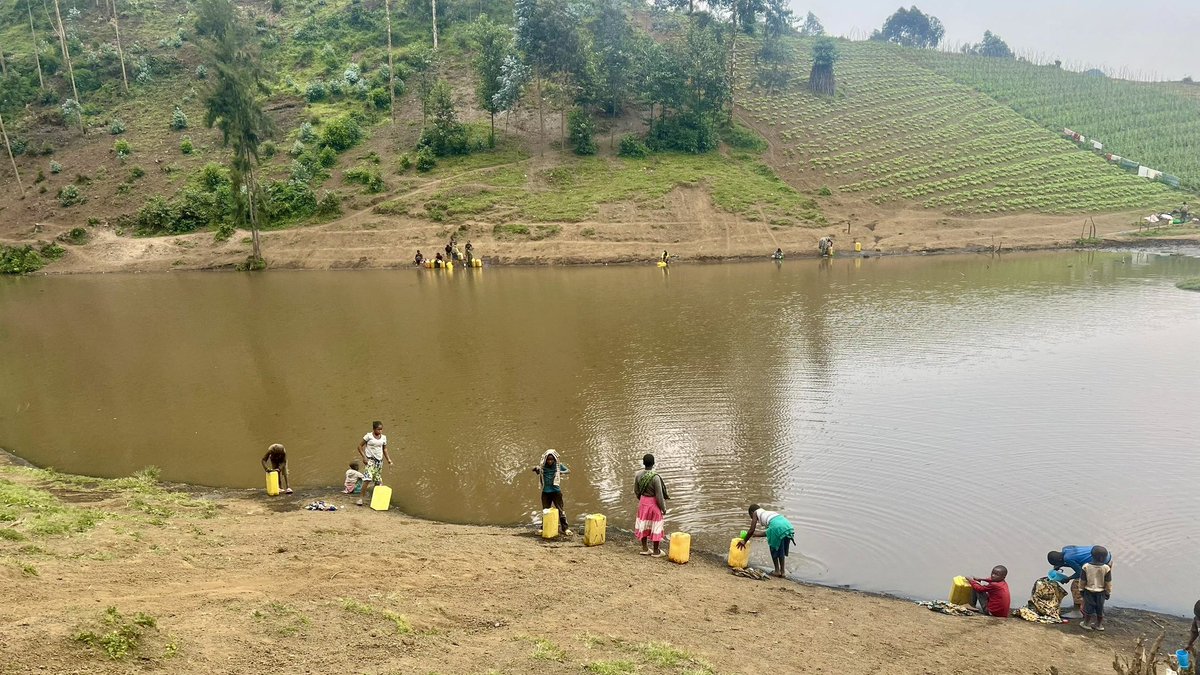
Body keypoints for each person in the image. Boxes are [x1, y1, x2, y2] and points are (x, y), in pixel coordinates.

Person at [1048, 545, 1113, 616]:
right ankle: (1094, 607)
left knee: (1076, 585)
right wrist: (1061, 565)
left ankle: (1077, 611)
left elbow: (1079, 573)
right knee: (1096, 585)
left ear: (1060, 560)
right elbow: (1078, 560)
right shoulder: (1066, 549)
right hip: (1105, 556)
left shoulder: (1068, 559)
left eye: (1056, 564)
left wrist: (1068, 578)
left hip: (1100, 563)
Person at [737, 504, 796, 578]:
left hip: (777, 527)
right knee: (781, 550)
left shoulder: (755, 513)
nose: (752, 518)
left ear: (752, 512)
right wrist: (756, 535)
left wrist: (744, 541)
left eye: (751, 516)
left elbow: (752, 530)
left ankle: (777, 571)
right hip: (788, 527)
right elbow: (771, 531)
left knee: (773, 548)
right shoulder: (768, 513)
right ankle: (783, 572)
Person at [633, 453, 668, 557]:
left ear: (643, 463)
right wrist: (663, 508)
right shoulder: (655, 477)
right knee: (656, 526)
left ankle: (645, 548)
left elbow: (636, 491)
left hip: (643, 503)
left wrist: (642, 500)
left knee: (643, 525)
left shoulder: (638, 475)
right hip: (653, 505)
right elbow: (659, 495)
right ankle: (656, 551)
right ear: (653, 464)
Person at [532, 449, 571, 535]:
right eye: (548, 459)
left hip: (556, 492)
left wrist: (561, 472)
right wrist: (536, 468)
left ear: (554, 460)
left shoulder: (558, 466)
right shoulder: (542, 466)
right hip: (545, 492)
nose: (550, 461)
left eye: (551, 459)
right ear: (545, 459)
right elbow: (534, 469)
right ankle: (543, 528)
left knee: (560, 510)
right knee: (545, 511)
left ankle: (565, 528)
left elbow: (568, 471)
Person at [356, 421, 393, 507]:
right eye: (378, 429)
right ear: (374, 429)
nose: (380, 431)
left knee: (378, 481)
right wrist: (364, 457)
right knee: (367, 479)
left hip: (379, 462)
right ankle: (361, 498)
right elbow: (359, 446)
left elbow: (385, 449)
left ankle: (378, 500)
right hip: (370, 460)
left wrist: (389, 460)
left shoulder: (383, 438)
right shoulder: (368, 436)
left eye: (381, 429)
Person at [1080, 546, 1112, 631]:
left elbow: (1082, 580)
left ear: (1092, 556)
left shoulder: (1086, 566)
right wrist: (1108, 592)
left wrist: (1081, 590)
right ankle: (1099, 625)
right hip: (1101, 592)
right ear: (1104, 558)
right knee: (1100, 608)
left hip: (1089, 591)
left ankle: (1086, 623)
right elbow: (1108, 582)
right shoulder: (1106, 568)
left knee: (1089, 608)